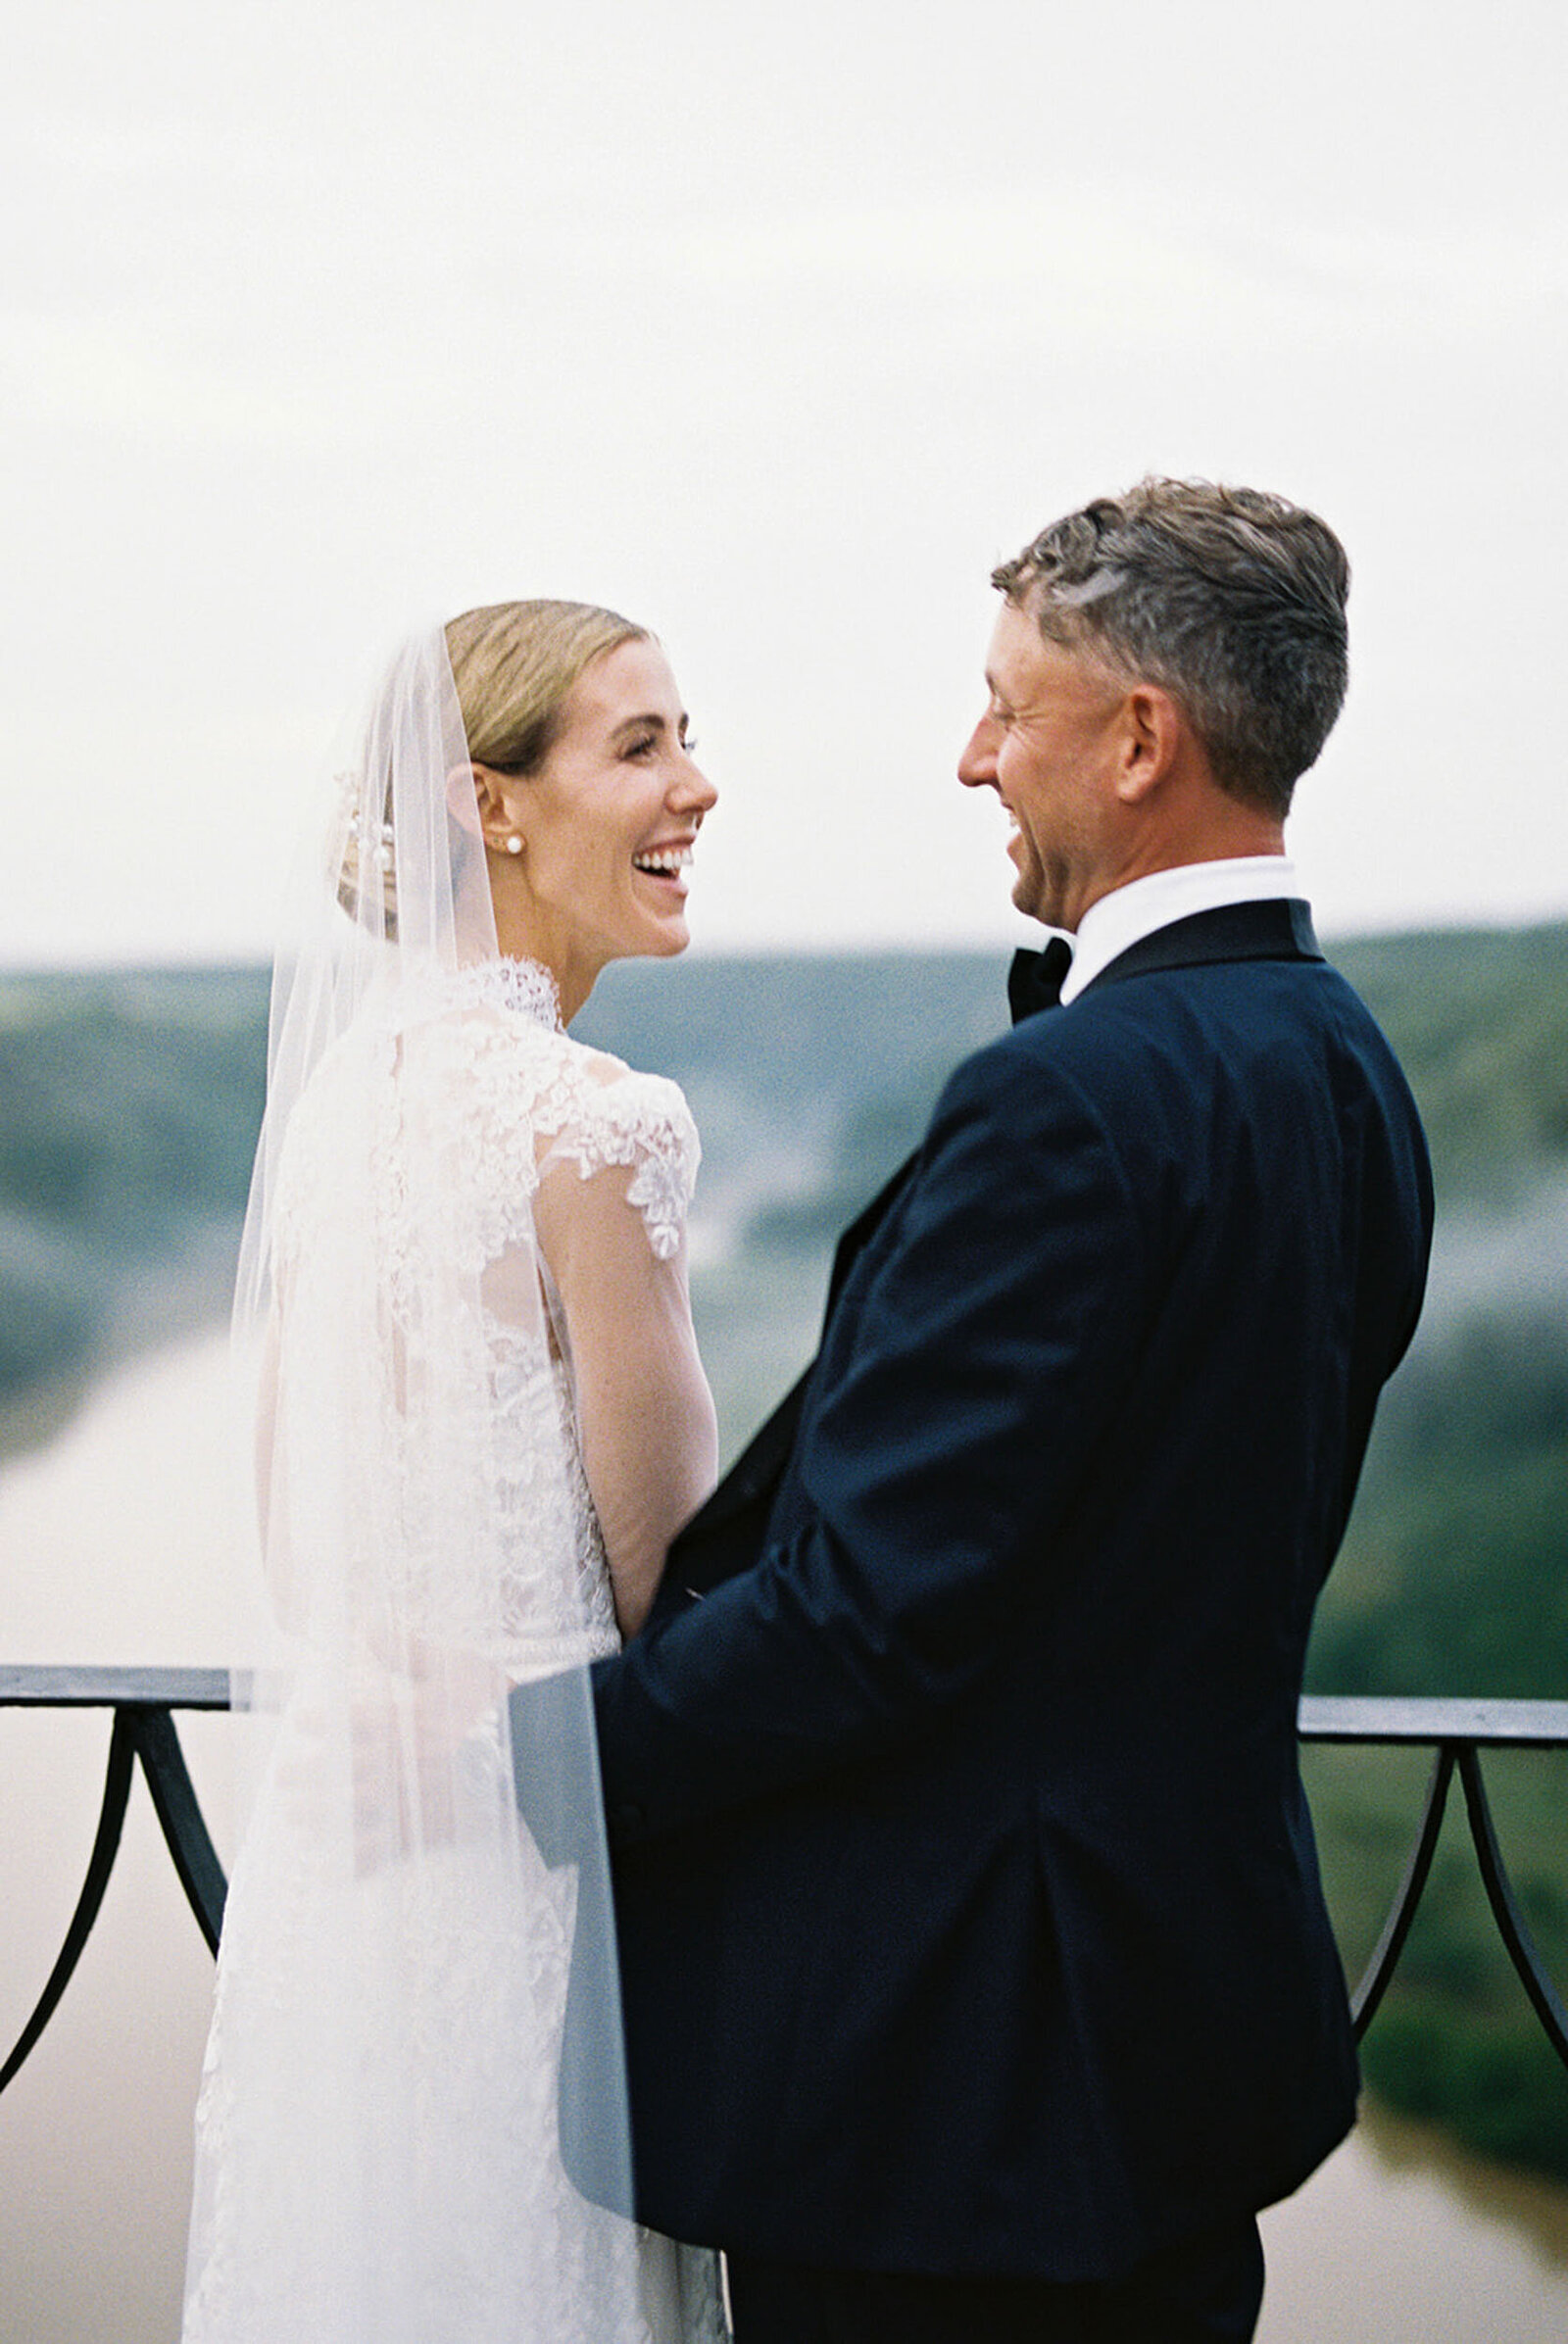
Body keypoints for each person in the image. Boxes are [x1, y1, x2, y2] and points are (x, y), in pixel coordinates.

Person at [568, 481, 1435, 2342]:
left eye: (1004, 706)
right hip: (1187, 2046)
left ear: (1140, 739)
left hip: (958, 2094)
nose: (971, 760)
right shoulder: (1351, 1066)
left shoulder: (1069, 1102)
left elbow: (867, 1617)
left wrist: (539, 1767)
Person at [182, 602, 729, 2343]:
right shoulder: (599, 1125)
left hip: (342, 1874)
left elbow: (298, 1542)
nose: (697, 789)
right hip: (532, 1875)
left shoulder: (343, 1099)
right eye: (638, 745)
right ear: (490, 803)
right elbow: (681, 1593)